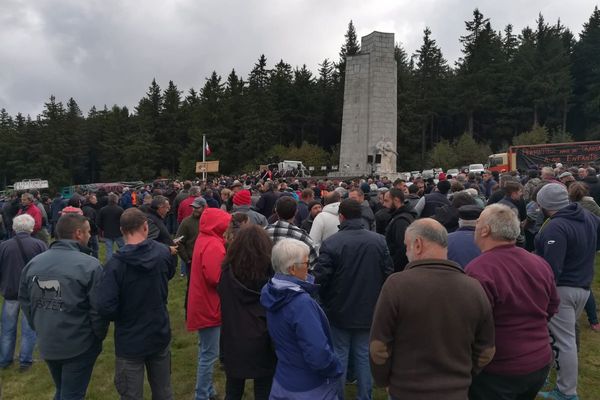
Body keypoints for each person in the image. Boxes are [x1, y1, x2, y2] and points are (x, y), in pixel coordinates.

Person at [369, 218, 495, 399]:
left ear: (418, 244)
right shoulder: (474, 287)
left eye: (407, 246)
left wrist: (383, 380)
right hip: (456, 391)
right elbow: (486, 350)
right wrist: (464, 375)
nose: (406, 252)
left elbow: (378, 346)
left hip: (406, 390)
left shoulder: (396, 285)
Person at [466, 204, 559, 400]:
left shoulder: (479, 270)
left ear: (486, 230)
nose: (475, 226)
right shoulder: (538, 262)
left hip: (499, 370)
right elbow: (552, 307)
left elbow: (472, 324)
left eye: (478, 222)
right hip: (539, 361)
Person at [19, 213, 109, 400]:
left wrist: (39, 326)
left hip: (48, 341)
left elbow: (26, 302)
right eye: (88, 232)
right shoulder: (90, 265)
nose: (89, 236)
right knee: (72, 394)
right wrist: (97, 336)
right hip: (79, 344)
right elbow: (99, 310)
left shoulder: (33, 264)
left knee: (63, 390)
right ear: (78, 233)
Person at [314, 199, 393, 399]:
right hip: (366, 309)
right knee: (363, 357)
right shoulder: (377, 241)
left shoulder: (333, 243)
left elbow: (321, 278)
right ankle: (363, 396)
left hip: (341, 309)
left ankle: (339, 395)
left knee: (341, 354)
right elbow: (388, 273)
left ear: (341, 217)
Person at [93, 208, 175, 399]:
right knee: (163, 391)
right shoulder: (162, 253)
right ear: (145, 227)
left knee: (133, 394)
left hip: (132, 338)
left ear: (122, 230)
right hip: (156, 332)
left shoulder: (113, 265)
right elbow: (106, 307)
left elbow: (105, 306)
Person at [535, 183, 600, 400]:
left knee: (564, 341)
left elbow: (552, 268)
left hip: (562, 289)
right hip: (582, 285)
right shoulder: (588, 216)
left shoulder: (556, 226)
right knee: (558, 336)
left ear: (545, 205)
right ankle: (549, 373)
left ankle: (566, 391)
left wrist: (542, 291)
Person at [260, 239, 342, 399]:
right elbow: (318, 354)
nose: (310, 268)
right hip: (310, 387)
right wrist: (335, 367)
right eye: (306, 263)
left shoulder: (271, 292)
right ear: (292, 269)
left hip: (283, 380)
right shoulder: (300, 303)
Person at [217, 225, 276, 400]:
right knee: (264, 390)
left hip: (233, 338)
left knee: (233, 389)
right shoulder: (272, 277)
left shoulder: (227, 274)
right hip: (263, 339)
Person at [187, 208, 231, 400]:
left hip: (202, 301)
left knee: (205, 349)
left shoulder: (205, 238)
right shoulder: (214, 244)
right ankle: (202, 394)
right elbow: (216, 277)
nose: (228, 225)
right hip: (209, 305)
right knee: (209, 354)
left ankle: (207, 389)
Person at [0, 214, 47, 371]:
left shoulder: (4, 246)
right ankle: (25, 360)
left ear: (14, 228)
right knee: (29, 328)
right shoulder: (39, 245)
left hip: (10, 291)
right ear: (31, 227)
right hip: (31, 291)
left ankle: (5, 359)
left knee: (7, 328)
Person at [265, 196, 318, 269]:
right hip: (293, 277)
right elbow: (314, 264)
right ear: (296, 212)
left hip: (267, 277)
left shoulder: (263, 233)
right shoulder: (304, 237)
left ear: (276, 211)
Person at [383, 188, 415, 272]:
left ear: (396, 200)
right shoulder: (400, 217)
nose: (384, 204)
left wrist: (392, 267)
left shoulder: (401, 221)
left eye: (386, 201)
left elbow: (403, 249)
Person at [176, 197, 206, 278]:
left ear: (204, 207)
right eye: (193, 207)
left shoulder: (209, 220)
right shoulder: (186, 222)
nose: (194, 209)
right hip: (192, 261)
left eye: (197, 207)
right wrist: (187, 259)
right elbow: (178, 241)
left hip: (207, 261)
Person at [97, 193, 125, 261]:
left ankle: (109, 264)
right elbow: (123, 221)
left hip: (107, 232)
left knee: (109, 250)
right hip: (118, 232)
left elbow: (98, 222)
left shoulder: (103, 210)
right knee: (123, 248)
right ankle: (124, 260)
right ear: (116, 200)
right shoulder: (120, 209)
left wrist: (103, 228)